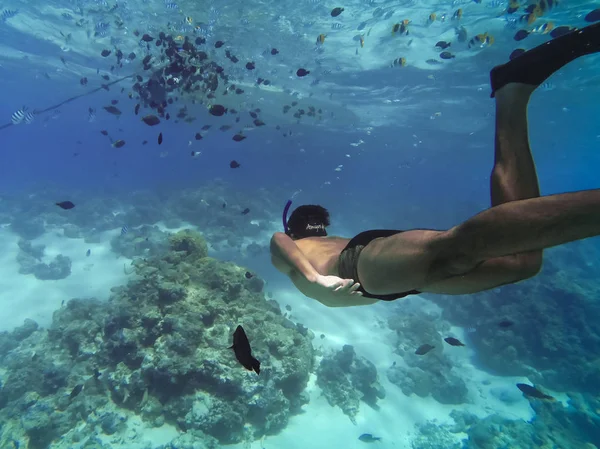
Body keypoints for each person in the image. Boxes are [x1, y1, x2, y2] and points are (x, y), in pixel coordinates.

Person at [270, 22, 600, 308]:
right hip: (382, 272)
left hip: (359, 266)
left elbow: (277, 240)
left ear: (294, 229)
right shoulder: (318, 243)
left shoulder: (295, 247)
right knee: (522, 262)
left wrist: (315, 281)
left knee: (457, 247)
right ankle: (512, 93)